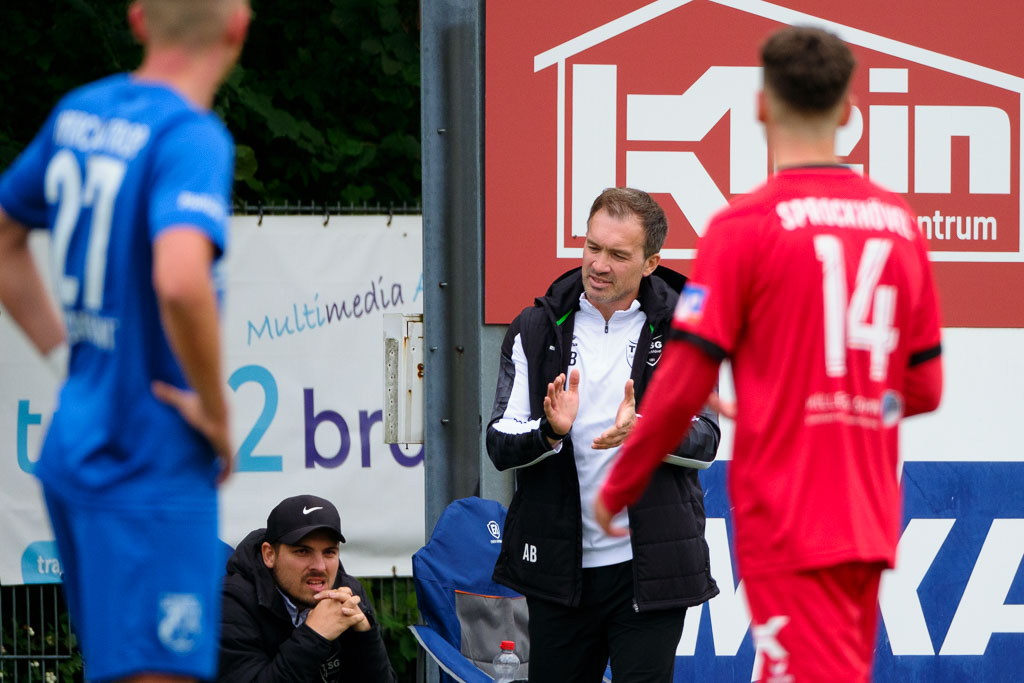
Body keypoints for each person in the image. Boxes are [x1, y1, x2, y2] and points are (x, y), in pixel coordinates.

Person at [596, 26, 944, 683]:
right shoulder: (899, 222)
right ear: (847, 112)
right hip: (867, 509)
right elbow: (924, 388)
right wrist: (859, 400)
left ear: (761, 106)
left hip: (787, 510)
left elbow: (681, 383)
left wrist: (619, 482)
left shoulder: (744, 227)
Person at [0, 0, 249, 680]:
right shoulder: (190, 136)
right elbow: (178, 279)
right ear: (238, 28)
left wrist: (68, 359)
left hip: (76, 448)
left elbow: (5, 235)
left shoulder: (81, 112)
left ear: (138, 20)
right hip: (151, 459)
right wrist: (217, 413)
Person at [487, 187, 721, 683]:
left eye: (618, 254)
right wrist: (550, 431)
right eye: (593, 247)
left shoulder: (686, 328)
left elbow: (705, 441)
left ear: (651, 262)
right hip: (557, 570)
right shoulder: (534, 326)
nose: (598, 264)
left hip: (650, 568)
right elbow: (500, 443)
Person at [217, 495, 396, 683]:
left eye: (329, 552)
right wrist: (314, 635)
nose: (319, 566)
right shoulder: (230, 601)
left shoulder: (349, 593)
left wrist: (365, 637)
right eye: (302, 551)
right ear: (269, 555)